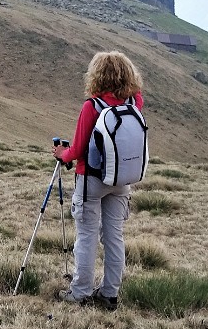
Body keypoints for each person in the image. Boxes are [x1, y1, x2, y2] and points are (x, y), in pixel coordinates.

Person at [52, 50, 145, 311]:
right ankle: (109, 294)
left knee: (86, 236)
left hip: (91, 180)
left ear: (96, 76)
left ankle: (80, 292)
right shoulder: (133, 104)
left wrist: (62, 154)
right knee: (114, 236)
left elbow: (78, 150)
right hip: (122, 179)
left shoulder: (92, 107)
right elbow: (137, 98)